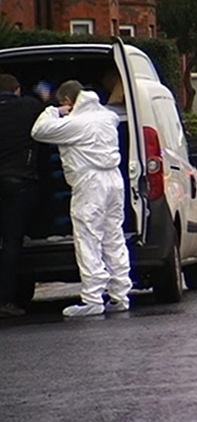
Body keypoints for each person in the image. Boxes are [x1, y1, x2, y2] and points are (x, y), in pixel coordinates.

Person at [31, 80, 132, 317]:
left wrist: (53, 111)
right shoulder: (107, 117)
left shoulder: (74, 123)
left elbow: (39, 131)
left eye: (62, 103)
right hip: (114, 180)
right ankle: (120, 295)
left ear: (67, 102)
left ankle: (92, 299)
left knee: (88, 238)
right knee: (113, 237)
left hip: (90, 184)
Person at [0, 74, 46, 318]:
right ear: (17, 90)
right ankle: (6, 299)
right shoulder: (28, 106)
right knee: (11, 241)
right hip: (19, 182)